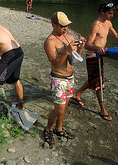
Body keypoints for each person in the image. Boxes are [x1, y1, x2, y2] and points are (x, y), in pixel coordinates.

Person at [73, 1, 118, 121]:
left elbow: (116, 36)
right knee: (99, 84)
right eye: (109, 13)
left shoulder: (108, 23)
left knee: (94, 78)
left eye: (112, 13)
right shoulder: (96, 25)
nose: (112, 15)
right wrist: (98, 48)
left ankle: (77, 94)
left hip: (101, 55)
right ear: (102, 12)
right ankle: (103, 110)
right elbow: (87, 45)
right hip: (93, 56)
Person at [44, 11, 85, 145]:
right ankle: (48, 129)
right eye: (62, 26)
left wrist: (80, 48)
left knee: (65, 106)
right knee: (59, 109)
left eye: (66, 25)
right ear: (53, 25)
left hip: (70, 77)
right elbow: (55, 63)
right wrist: (66, 51)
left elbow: (74, 59)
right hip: (58, 78)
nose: (65, 28)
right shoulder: (50, 42)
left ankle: (59, 128)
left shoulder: (70, 36)